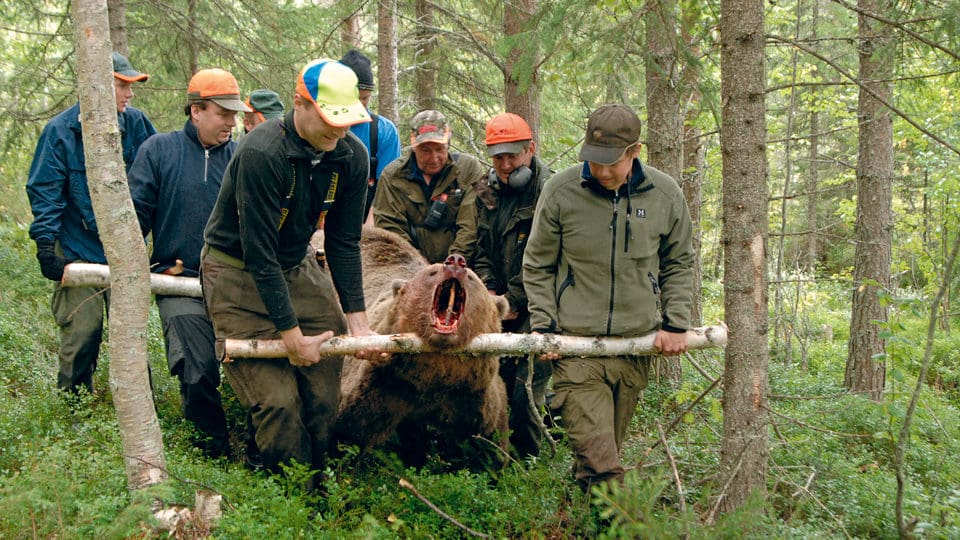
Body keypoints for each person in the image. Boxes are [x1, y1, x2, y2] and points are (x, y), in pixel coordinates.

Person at [200, 58, 383, 485]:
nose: (338, 132)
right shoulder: (262, 152)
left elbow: (343, 242)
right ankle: (289, 493)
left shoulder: (351, 155)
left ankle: (320, 486)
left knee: (323, 395)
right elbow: (259, 252)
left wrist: (359, 325)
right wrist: (290, 334)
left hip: (296, 266)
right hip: (237, 272)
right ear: (300, 105)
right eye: (330, 121)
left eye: (347, 122)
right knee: (278, 403)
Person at [522, 104, 694, 491]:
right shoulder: (561, 190)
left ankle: (579, 514)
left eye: (611, 162)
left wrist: (676, 323)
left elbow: (679, 262)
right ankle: (626, 521)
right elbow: (537, 263)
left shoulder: (665, 194)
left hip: (634, 348)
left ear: (635, 152)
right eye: (594, 160)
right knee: (603, 465)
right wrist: (545, 325)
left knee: (601, 454)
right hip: (575, 348)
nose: (601, 171)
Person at [128, 68, 252, 458]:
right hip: (177, 281)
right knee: (196, 369)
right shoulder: (158, 150)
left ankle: (260, 454)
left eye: (235, 115)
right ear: (196, 111)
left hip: (235, 284)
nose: (232, 123)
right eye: (223, 114)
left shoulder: (243, 157)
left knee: (256, 370)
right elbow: (133, 218)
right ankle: (211, 451)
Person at [26, 51, 156, 395]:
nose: (130, 93)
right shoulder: (60, 132)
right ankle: (74, 407)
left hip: (125, 251)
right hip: (75, 247)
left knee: (132, 339)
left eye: (131, 86)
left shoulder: (138, 126)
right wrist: (46, 247)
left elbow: (159, 185)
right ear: (96, 85)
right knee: (83, 333)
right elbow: (45, 192)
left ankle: (142, 407)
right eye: (122, 85)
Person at [473, 112, 553, 459]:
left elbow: (549, 257)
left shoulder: (551, 191)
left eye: (513, 156)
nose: (505, 165)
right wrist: (489, 291)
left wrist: (514, 299)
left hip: (542, 304)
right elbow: (480, 249)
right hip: (500, 303)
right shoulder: (485, 191)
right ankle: (494, 456)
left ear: (530, 149)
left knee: (526, 387)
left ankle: (527, 463)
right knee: (497, 382)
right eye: (498, 157)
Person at [372, 109, 484, 264]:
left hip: (461, 262)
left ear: (448, 145)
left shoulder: (467, 169)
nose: (434, 158)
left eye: (439, 149)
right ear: (414, 146)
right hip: (410, 265)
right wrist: (418, 267)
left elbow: (470, 225)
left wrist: (454, 262)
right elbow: (391, 229)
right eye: (425, 150)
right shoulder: (393, 176)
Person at [337, 49, 401, 223]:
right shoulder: (322, 126)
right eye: (353, 98)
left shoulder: (383, 131)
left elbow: (386, 188)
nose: (359, 106)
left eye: (364, 98)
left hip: (367, 217)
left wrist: (369, 230)